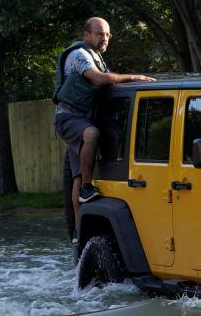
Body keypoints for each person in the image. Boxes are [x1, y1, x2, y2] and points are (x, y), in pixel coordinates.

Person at [53, 17, 155, 241]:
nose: (105, 38)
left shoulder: (96, 57)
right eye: (100, 34)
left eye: (108, 34)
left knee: (77, 176)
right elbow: (100, 80)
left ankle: (80, 234)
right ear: (86, 35)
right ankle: (88, 189)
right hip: (69, 117)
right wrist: (134, 77)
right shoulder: (79, 55)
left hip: (84, 118)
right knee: (92, 135)